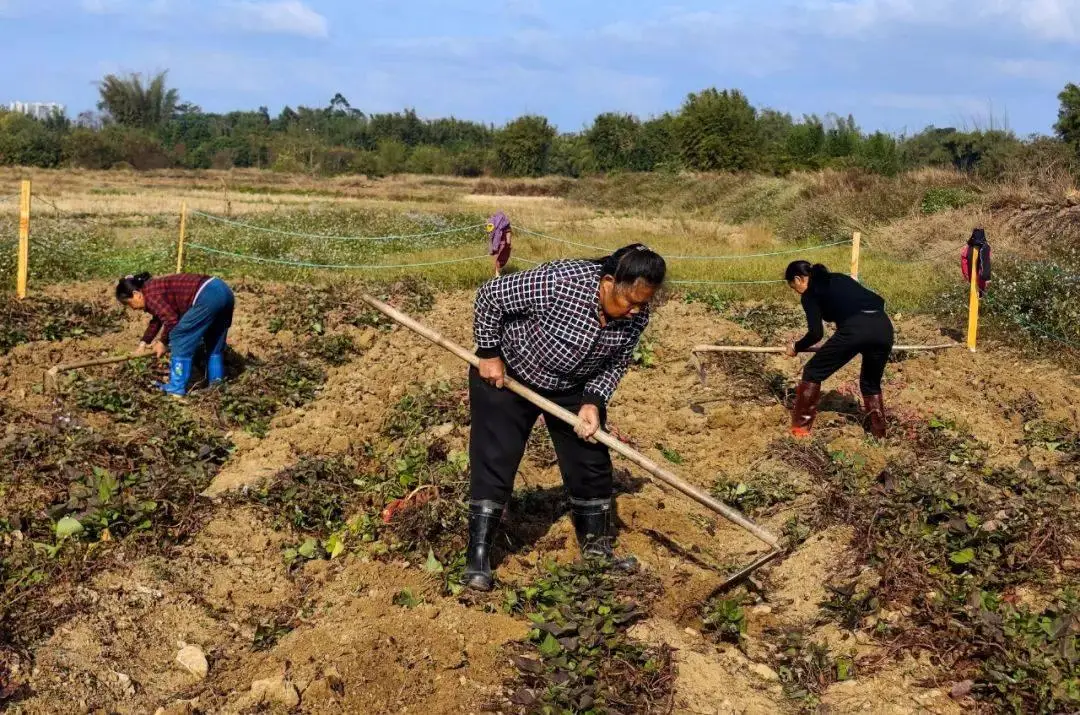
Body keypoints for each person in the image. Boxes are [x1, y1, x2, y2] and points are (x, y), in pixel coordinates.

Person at [464, 243, 666, 591]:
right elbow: (490, 296)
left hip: (571, 385)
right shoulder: (561, 280)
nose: (635, 311)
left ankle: (597, 549)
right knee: (496, 455)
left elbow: (615, 364)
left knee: (590, 459)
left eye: (643, 303)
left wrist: (593, 401)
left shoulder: (637, 317)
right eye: (630, 301)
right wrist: (489, 353)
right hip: (512, 371)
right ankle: (478, 554)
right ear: (608, 281)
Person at [784, 260, 894, 439]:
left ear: (798, 279)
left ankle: (800, 430)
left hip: (855, 329)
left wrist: (796, 347)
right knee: (870, 383)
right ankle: (879, 435)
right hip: (883, 326)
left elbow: (815, 334)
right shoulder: (840, 278)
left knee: (813, 371)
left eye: (793, 287)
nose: (795, 291)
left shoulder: (810, 293)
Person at [115, 272, 235, 397]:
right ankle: (217, 387)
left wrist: (163, 342)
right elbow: (158, 318)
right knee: (213, 343)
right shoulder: (152, 289)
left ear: (136, 294)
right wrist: (143, 344)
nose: (133, 308)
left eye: (129, 304)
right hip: (223, 291)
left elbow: (171, 320)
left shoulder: (151, 295)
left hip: (207, 295)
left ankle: (175, 389)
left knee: (179, 335)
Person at [486, 211, 512, 277]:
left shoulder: (491, 222)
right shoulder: (505, 223)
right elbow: (508, 235)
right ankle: (499, 273)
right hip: (503, 244)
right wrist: (508, 244)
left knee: (496, 258)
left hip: (495, 244)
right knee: (502, 258)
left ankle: (497, 273)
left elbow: (489, 232)